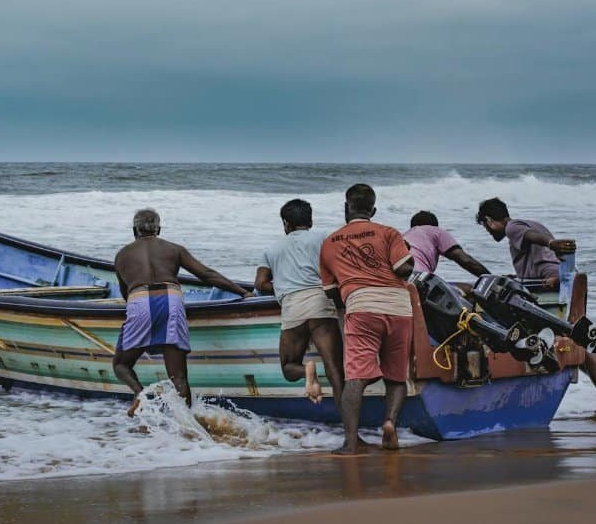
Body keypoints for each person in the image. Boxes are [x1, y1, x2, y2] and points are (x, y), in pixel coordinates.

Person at [476, 197, 596, 419]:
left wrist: (551, 246)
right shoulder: (531, 222)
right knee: (577, 341)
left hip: (549, 289)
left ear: (489, 221)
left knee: (578, 345)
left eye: (486, 227)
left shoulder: (513, 227)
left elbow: (538, 242)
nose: (489, 232)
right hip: (558, 284)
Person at [113, 208, 253, 415]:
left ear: (135, 230)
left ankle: (139, 393)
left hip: (139, 300)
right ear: (158, 229)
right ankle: (187, 425)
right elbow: (206, 274)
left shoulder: (122, 255)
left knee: (121, 364)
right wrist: (243, 292)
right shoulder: (174, 249)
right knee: (178, 377)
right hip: (171, 298)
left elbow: (127, 295)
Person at [320, 184, 416, 454]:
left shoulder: (329, 243)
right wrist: (410, 255)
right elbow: (404, 270)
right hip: (398, 306)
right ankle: (390, 423)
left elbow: (332, 294)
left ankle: (350, 442)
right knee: (397, 377)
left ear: (346, 208)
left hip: (361, 306)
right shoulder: (388, 233)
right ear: (373, 210)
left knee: (356, 378)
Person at [254, 199, 345, 404]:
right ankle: (350, 432)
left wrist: (282, 285)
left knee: (288, 367)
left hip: (292, 306)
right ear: (310, 221)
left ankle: (306, 370)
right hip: (320, 303)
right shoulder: (323, 238)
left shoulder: (272, 249)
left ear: (286, 223)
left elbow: (260, 283)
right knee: (335, 371)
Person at [403, 210, 491, 277]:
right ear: (434, 226)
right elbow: (466, 261)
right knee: (469, 291)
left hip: (396, 281)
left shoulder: (403, 236)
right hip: (418, 277)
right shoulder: (435, 231)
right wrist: (490, 278)